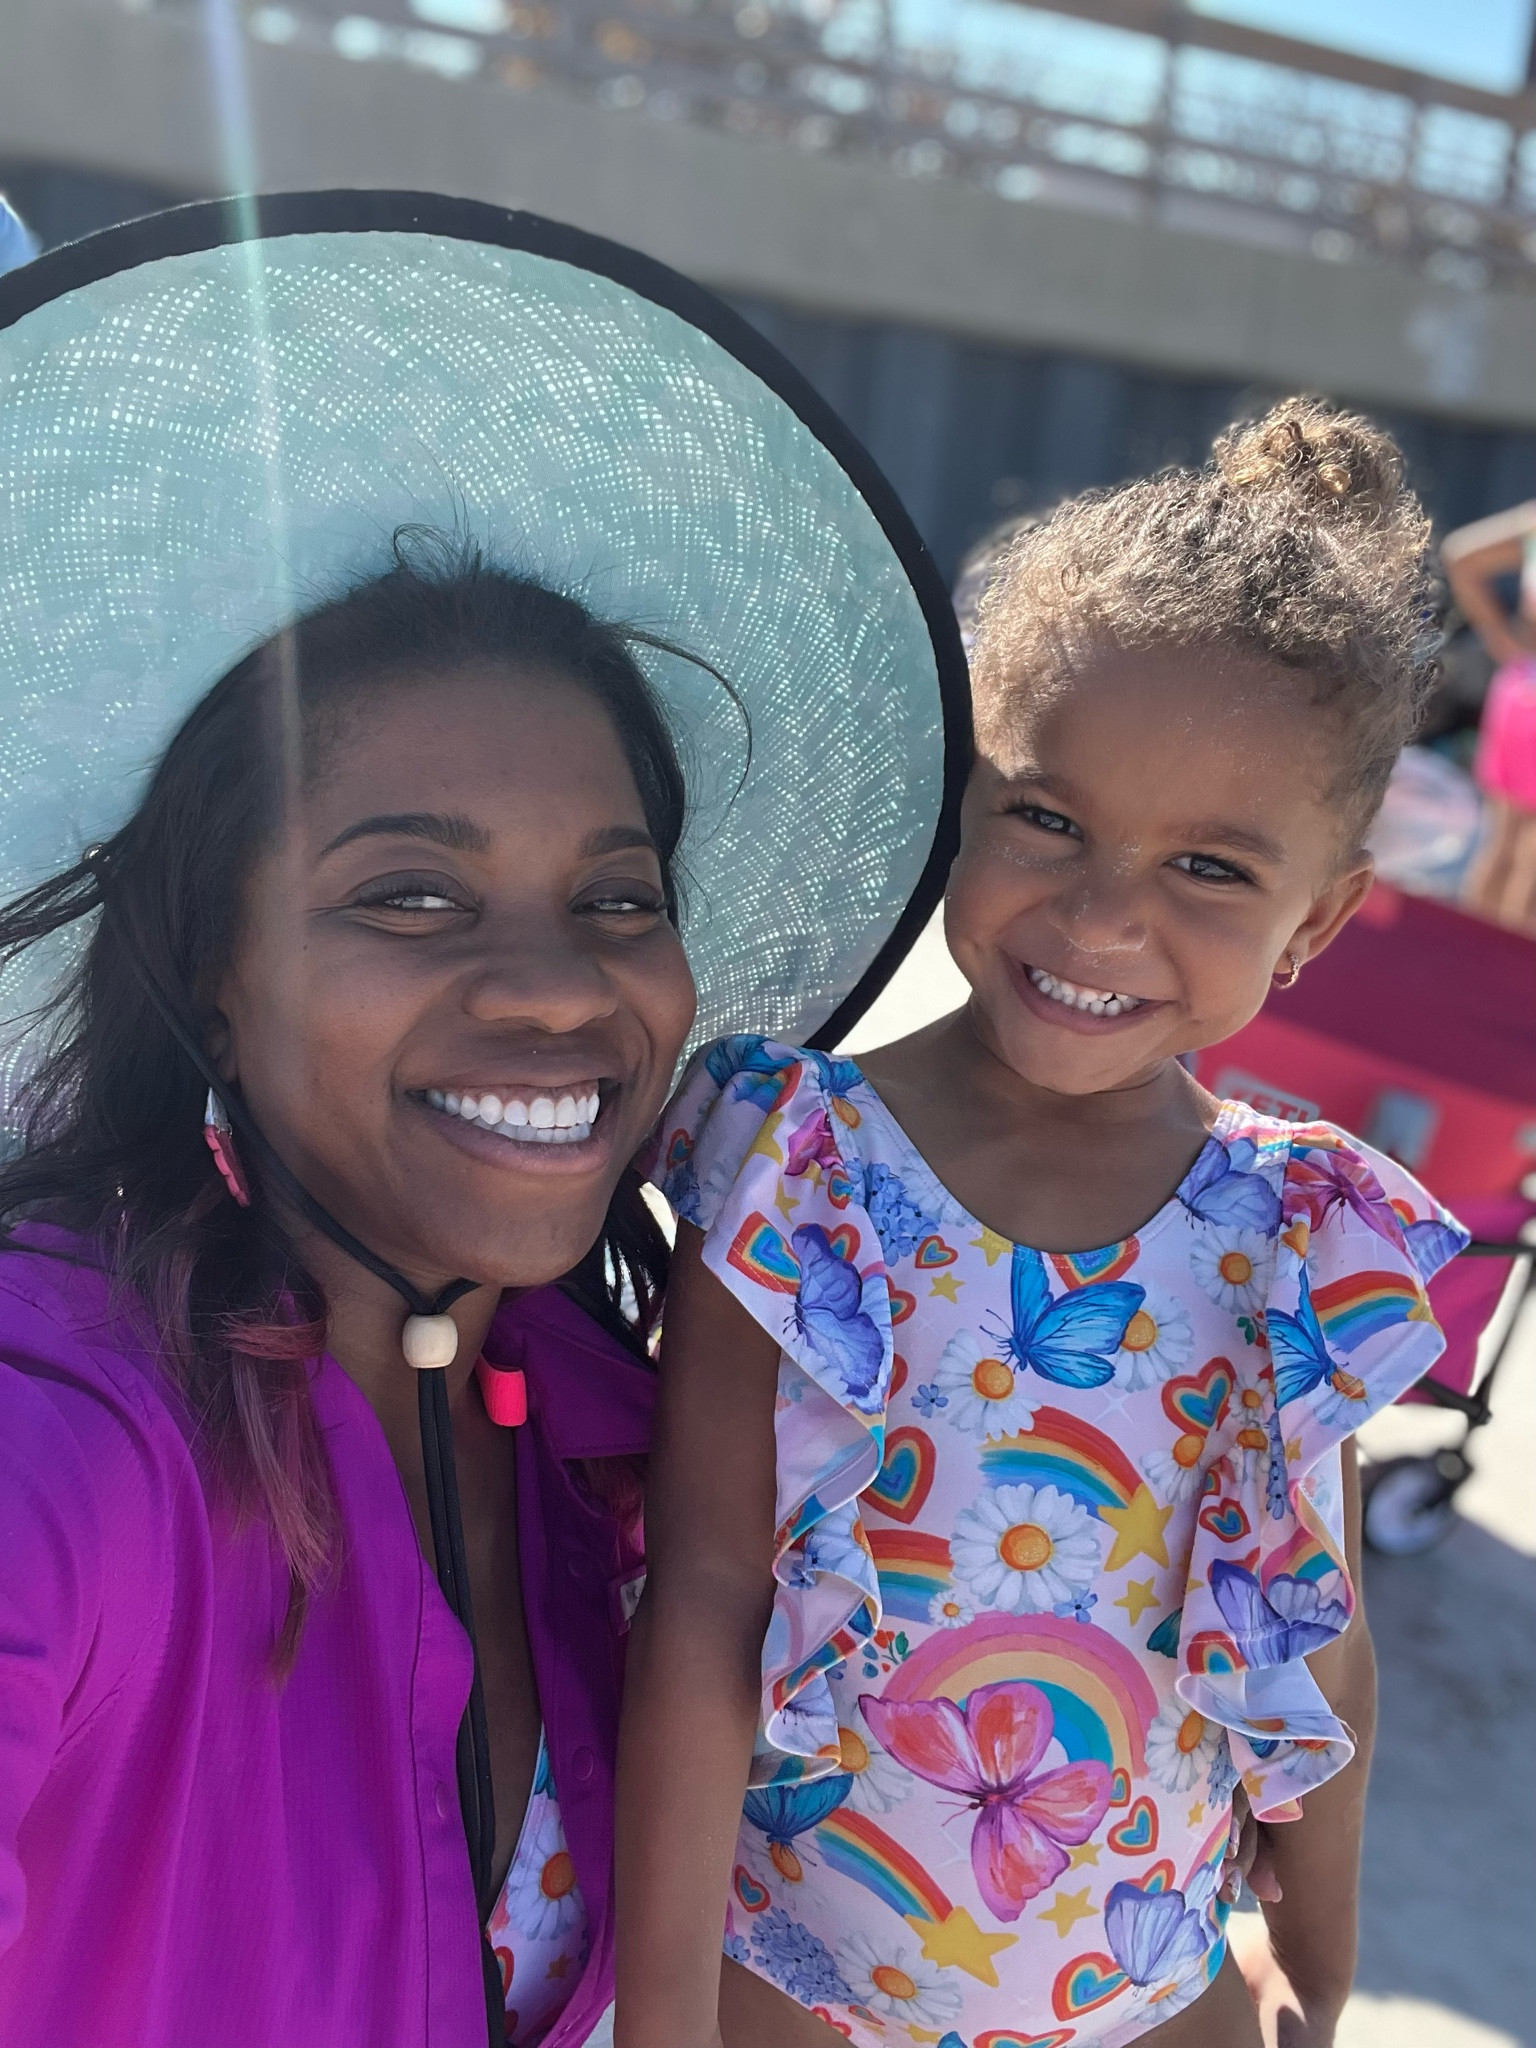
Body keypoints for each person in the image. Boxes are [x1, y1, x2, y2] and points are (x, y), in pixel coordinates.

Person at [0, 194, 963, 2048]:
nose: (558, 989)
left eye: (617, 895)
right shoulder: (74, 1419)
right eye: (412, 895)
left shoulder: (629, 1429)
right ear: (210, 963)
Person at [618, 398, 1467, 2048]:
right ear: (967, 792)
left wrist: (1318, 1951)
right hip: (788, 1980)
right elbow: (704, 1600)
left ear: (1322, 918)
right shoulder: (803, 1167)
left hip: (1154, 1995)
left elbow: (1324, 1640)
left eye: (1211, 867)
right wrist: (663, 2019)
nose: (1100, 913)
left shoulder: (1301, 1233)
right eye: (1049, 819)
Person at [1441, 499, 1536, 931]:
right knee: (1525, 855)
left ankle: (1475, 969)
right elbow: (1461, 555)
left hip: (1520, 686)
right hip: (1522, 685)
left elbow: (1461, 555)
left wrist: (1504, 641)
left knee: (1501, 842)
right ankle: (1507, 985)